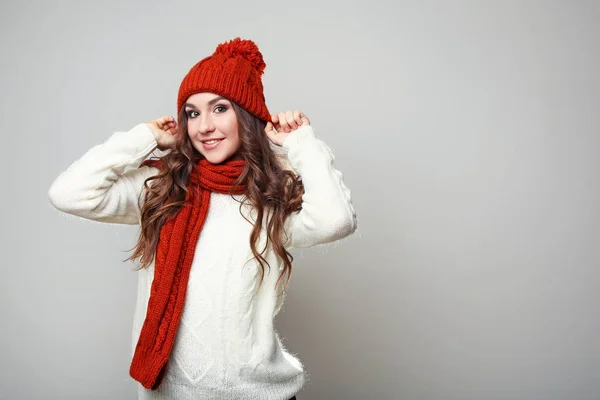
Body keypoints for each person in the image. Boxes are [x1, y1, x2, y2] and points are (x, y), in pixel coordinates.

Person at [48, 37, 357, 400]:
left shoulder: (271, 196)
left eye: (220, 108)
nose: (204, 126)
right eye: (192, 113)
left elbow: (335, 221)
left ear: (247, 115)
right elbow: (68, 193)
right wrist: (144, 137)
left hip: (258, 395)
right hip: (168, 393)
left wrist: (301, 143)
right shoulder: (162, 189)